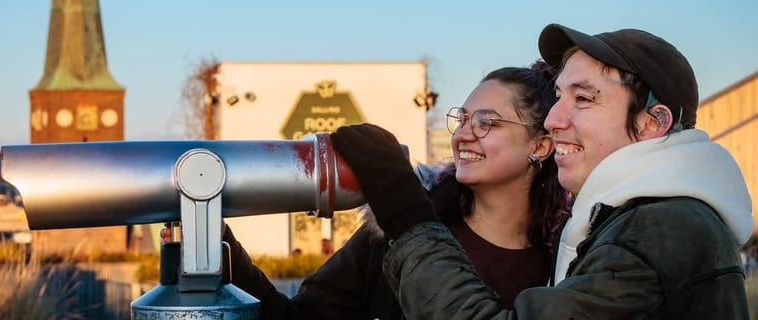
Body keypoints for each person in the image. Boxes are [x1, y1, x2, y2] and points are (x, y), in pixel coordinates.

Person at [332, 23, 754, 319]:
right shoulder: (627, 219)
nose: (554, 119)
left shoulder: (662, 227)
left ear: (652, 123)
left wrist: (406, 211)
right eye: (558, 96)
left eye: (584, 99)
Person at [162, 61, 570, 319]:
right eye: (462, 119)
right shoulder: (388, 233)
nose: (463, 135)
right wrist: (216, 241)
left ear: (540, 145)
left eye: (487, 123)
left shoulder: (568, 261)